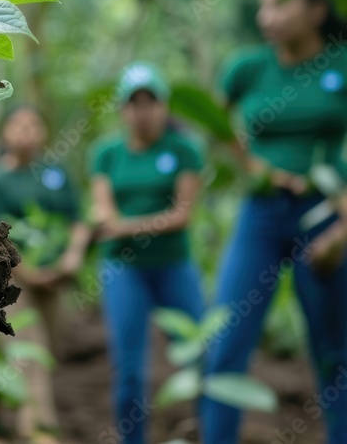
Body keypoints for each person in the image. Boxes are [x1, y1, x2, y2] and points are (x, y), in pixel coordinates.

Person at [201, 0, 347, 444]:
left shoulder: (339, 65)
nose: (268, 15)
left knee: (334, 349)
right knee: (227, 338)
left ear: (317, 9)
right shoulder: (248, 68)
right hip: (260, 216)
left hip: (326, 218)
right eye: (263, 5)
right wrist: (254, 168)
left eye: (281, 3)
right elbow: (216, 125)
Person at [88, 62, 206, 444]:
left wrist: (127, 225)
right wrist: (131, 224)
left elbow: (183, 216)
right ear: (124, 110)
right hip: (124, 269)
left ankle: (209, 430)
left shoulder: (184, 149)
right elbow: (105, 213)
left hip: (174, 265)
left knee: (201, 353)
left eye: (151, 102)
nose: (143, 111)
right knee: (131, 369)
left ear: (164, 106)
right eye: (134, 103)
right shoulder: (106, 154)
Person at [0, 105, 90, 443]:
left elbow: (77, 221)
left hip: (55, 280)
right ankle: (39, 431)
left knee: (52, 349)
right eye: (18, 124)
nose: (26, 130)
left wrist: (72, 257)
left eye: (33, 124)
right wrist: (26, 270)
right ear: (5, 134)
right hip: (16, 283)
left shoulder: (56, 173)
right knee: (31, 352)